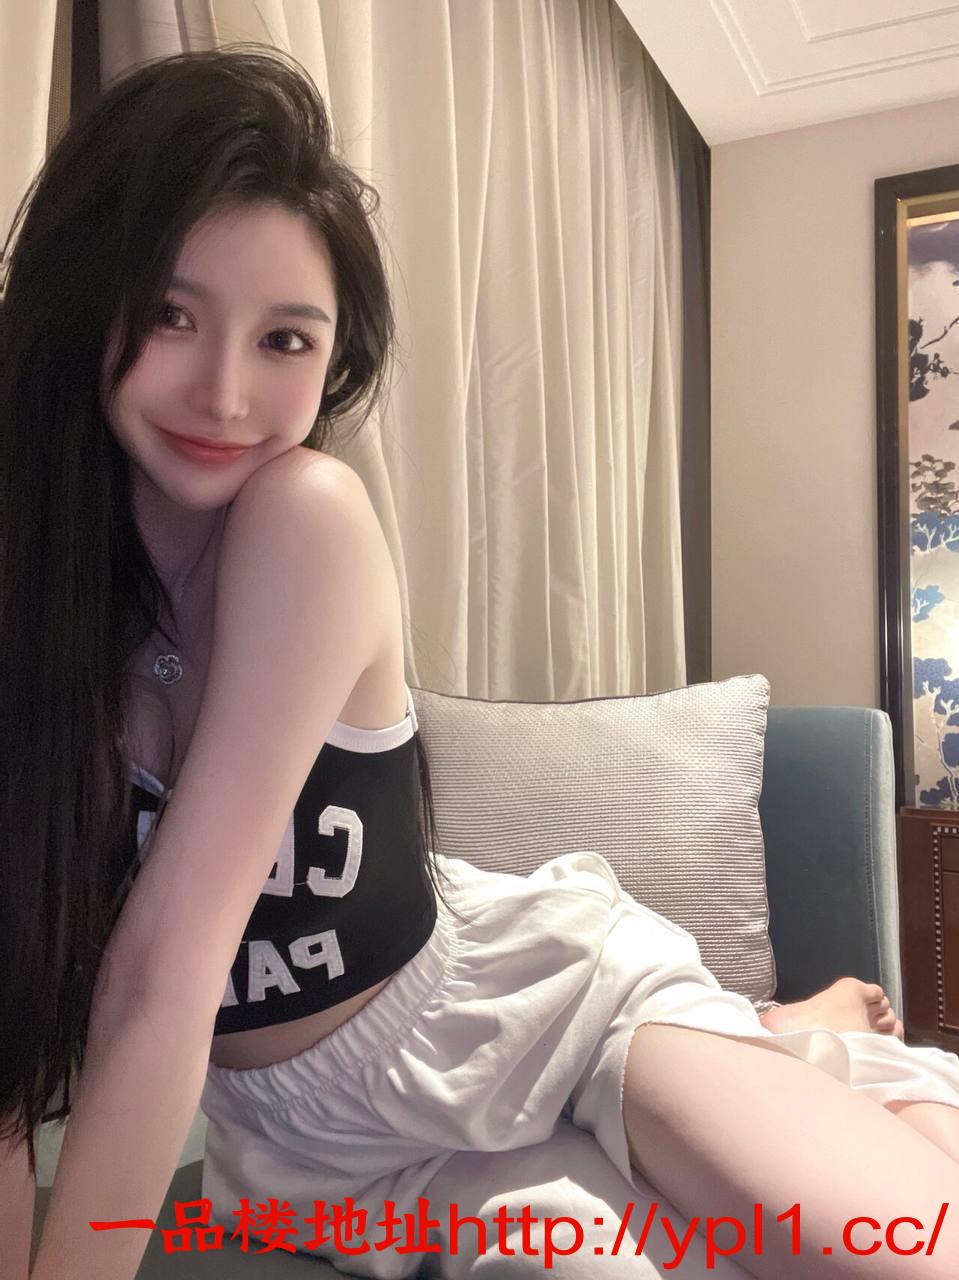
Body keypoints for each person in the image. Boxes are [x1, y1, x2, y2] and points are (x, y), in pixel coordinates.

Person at [2, 43, 958, 1280]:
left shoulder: (304, 521)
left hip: (522, 1013)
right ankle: (776, 1036)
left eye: (286, 339)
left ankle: (801, 1047)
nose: (226, 392)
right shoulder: (38, 593)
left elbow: (164, 969)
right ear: (89, 298)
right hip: (302, 1153)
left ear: (333, 360)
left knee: (903, 1253)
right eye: (172, 315)